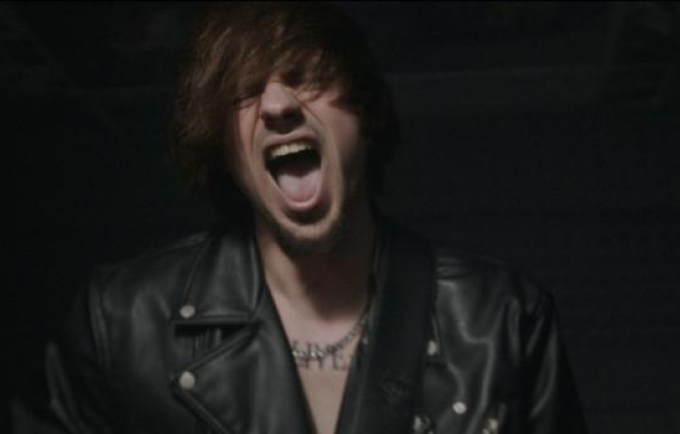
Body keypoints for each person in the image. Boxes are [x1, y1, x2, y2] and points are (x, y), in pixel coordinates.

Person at [12, 3, 587, 434]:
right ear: (224, 149)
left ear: (364, 112)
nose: (278, 104)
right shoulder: (119, 321)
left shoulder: (503, 320)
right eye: (242, 91)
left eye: (305, 74)